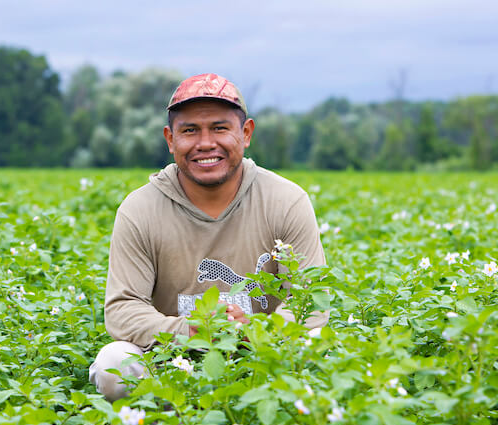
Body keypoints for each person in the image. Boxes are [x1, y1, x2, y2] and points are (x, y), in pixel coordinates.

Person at [89, 73, 327, 401]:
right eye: (190, 130)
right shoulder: (140, 209)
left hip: (263, 357)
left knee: (318, 344)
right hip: (171, 359)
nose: (205, 143)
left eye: (219, 128)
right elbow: (123, 309)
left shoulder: (285, 201)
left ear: (245, 134)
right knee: (114, 365)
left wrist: (254, 331)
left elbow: (309, 301)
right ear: (170, 140)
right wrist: (194, 331)